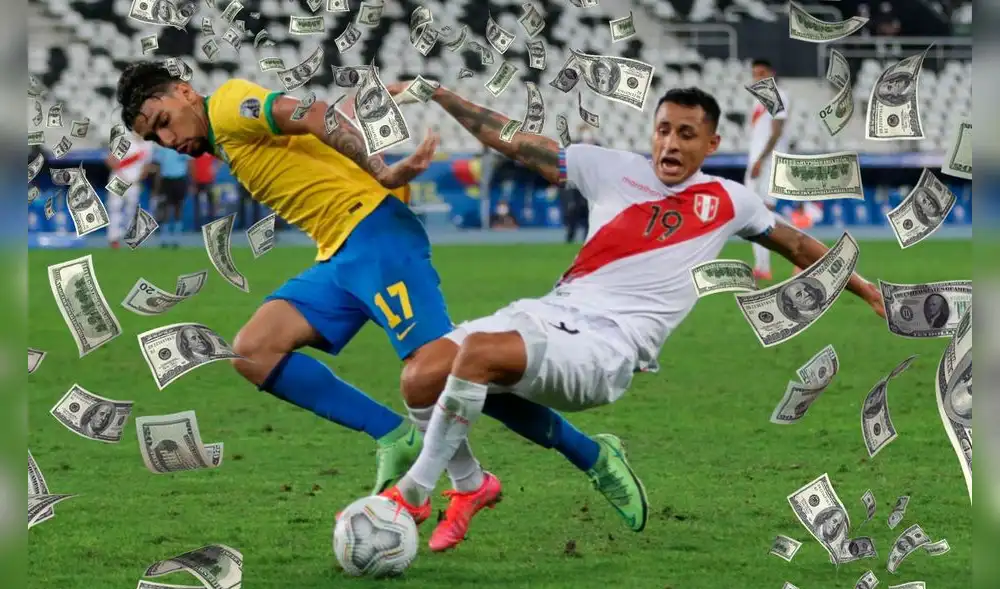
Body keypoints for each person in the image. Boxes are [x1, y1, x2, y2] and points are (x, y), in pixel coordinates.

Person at [377, 80, 887, 551]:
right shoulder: (610, 168)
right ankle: (470, 484)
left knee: (477, 355)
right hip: (551, 310)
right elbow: (514, 142)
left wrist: (863, 288)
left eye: (686, 134)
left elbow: (795, 244)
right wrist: (440, 94)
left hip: (609, 347)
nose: (670, 144)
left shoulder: (730, 201)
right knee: (420, 376)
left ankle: (413, 492)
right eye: (663, 130)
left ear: (711, 144)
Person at [117, 62, 605, 502]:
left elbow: (315, 113)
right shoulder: (225, 134)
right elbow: (316, 123)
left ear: (185, 92)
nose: (167, 138)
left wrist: (381, 171)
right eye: (154, 136)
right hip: (339, 253)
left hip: (374, 233)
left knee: (442, 372)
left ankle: (590, 454)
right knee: (254, 351)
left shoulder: (226, 106)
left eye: (163, 121)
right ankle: (399, 438)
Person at [745, 58, 791, 281]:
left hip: (768, 162)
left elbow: (776, 132)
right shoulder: (758, 101)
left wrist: (760, 161)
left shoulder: (777, 95)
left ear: (772, 73)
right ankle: (762, 267)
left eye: (762, 73)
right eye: (755, 74)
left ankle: (808, 249)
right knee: (758, 214)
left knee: (761, 212)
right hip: (758, 161)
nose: (758, 78)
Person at [105, 131, 154, 248]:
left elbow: (146, 165)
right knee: (115, 208)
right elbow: (110, 160)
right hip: (118, 180)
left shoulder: (148, 146)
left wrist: (139, 179)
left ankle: (130, 237)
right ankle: (113, 238)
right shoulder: (126, 142)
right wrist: (122, 175)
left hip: (134, 182)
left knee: (131, 210)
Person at [151, 141, 192, 247]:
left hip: (180, 179)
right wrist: (156, 187)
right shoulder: (162, 148)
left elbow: (189, 165)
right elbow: (158, 168)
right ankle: (165, 237)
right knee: (165, 208)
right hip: (166, 180)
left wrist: (191, 182)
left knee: (178, 207)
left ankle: (177, 237)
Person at [190, 151, 218, 228]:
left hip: (209, 180)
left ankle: (212, 224)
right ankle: (197, 226)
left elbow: (219, 158)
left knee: (211, 203)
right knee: (197, 204)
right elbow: (191, 164)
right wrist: (192, 181)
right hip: (197, 181)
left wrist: (215, 168)